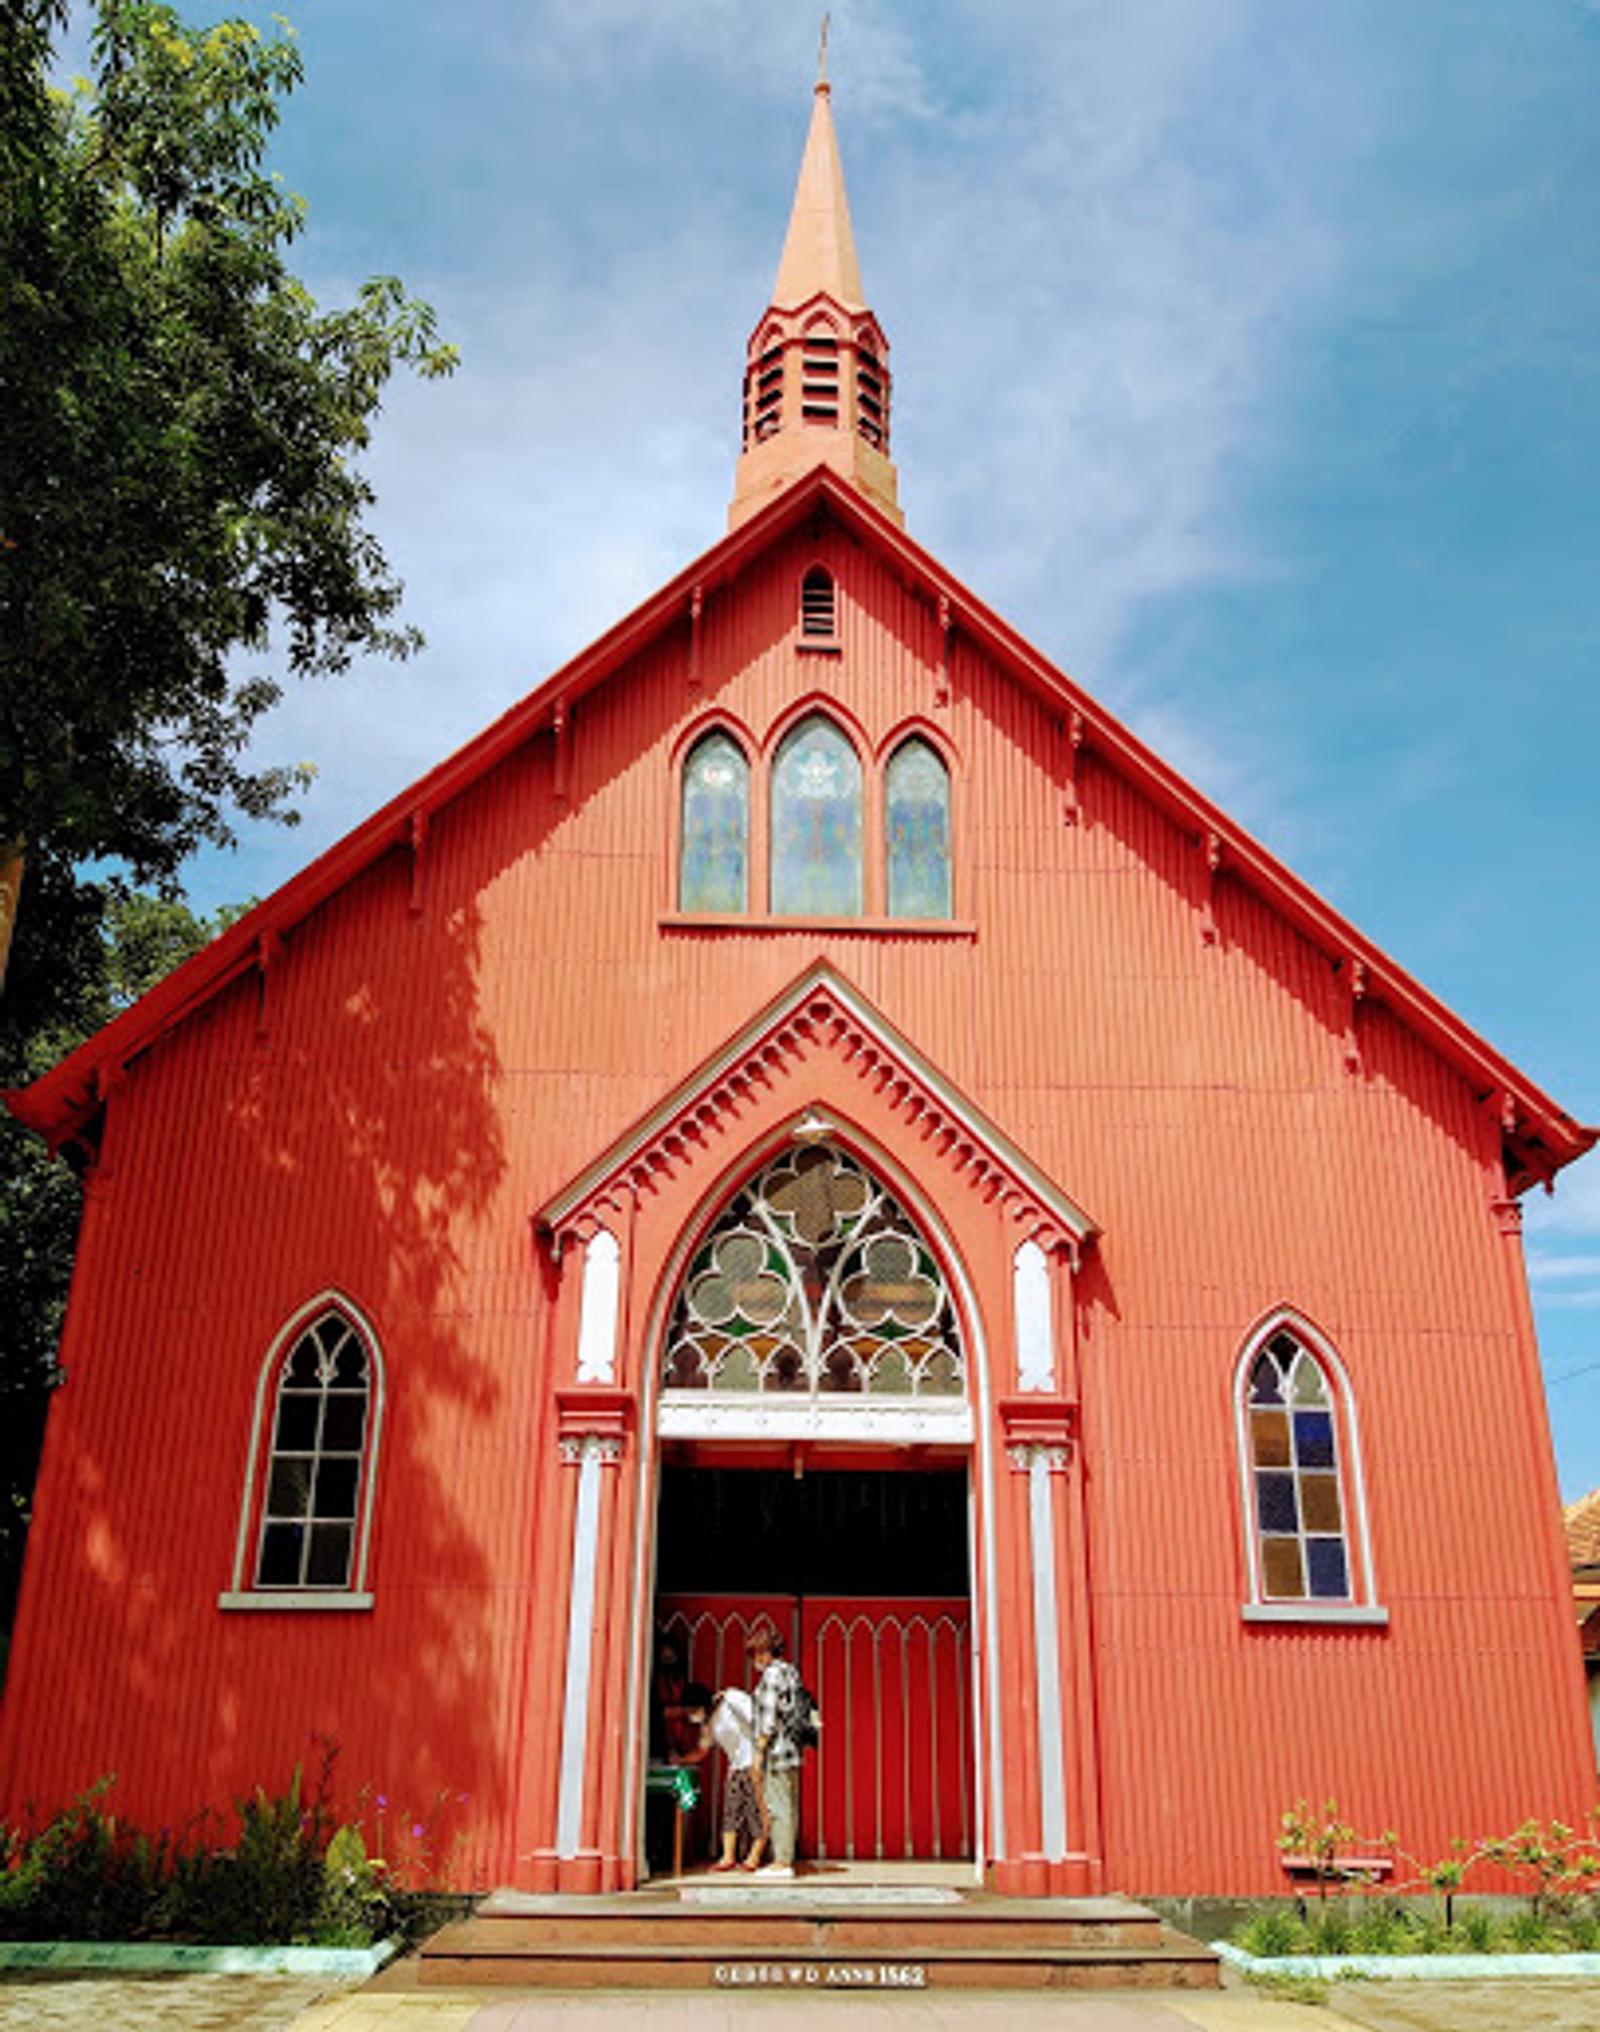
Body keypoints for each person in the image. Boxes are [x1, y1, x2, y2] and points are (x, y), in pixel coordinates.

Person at [748, 1620, 803, 1879]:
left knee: (777, 1805)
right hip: (791, 1750)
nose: (755, 1660)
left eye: (757, 1653)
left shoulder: (771, 1674)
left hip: (777, 1751)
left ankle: (782, 1862)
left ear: (766, 1652)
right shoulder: (790, 1672)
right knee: (788, 1805)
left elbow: (768, 1719)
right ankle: (785, 1857)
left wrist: (758, 1753)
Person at [707, 1685, 765, 1871]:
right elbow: (703, 1746)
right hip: (735, 1767)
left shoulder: (732, 1699)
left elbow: (758, 1721)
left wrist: (760, 1756)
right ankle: (728, 1857)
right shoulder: (710, 1721)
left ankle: (754, 1857)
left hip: (753, 1762)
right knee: (731, 1812)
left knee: (757, 1811)